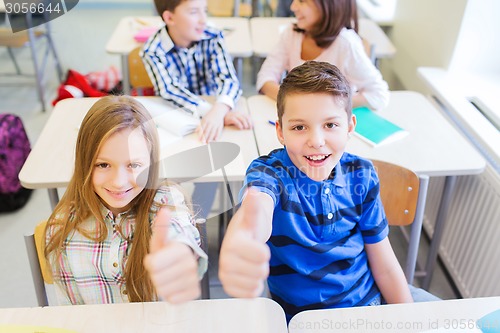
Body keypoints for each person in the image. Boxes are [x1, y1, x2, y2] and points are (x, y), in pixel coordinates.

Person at [219, 61, 438, 321]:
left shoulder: (362, 174)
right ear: (280, 131)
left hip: (370, 301)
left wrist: (407, 319)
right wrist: (244, 236)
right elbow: (257, 207)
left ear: (350, 126)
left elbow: (386, 266)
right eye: (299, 127)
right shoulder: (270, 173)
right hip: (304, 320)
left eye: (330, 125)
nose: (316, 141)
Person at [44, 95, 207, 305]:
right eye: (103, 165)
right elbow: (70, 314)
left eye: (133, 165)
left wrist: (178, 253)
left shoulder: (165, 201)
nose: (119, 182)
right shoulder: (63, 228)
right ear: (85, 162)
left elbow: (178, 229)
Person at [142, 0, 253, 220]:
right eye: (194, 12)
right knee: (161, 172)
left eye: (205, 11)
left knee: (215, 167)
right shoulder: (152, 50)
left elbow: (230, 80)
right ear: (169, 18)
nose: (203, 19)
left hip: (215, 122)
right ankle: (170, 221)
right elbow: (170, 90)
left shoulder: (212, 36)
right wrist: (212, 112)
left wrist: (220, 109)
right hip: (177, 123)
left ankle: (197, 223)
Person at [257, 0, 389, 111]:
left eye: (302, 1)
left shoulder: (346, 44)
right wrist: (294, 100)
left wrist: (330, 104)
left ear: (328, 5)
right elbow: (265, 77)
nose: (293, 7)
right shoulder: (291, 34)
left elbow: (379, 94)